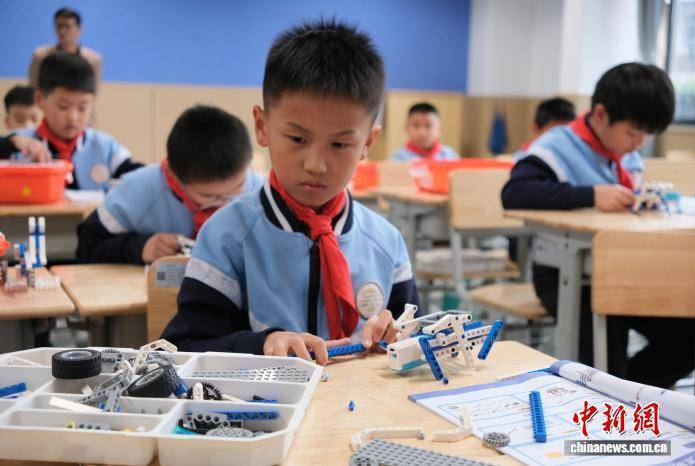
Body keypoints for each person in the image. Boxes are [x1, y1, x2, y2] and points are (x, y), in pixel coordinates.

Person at [161, 19, 420, 365]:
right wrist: (262, 344)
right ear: (262, 126)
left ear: (367, 143)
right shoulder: (226, 237)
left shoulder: (386, 243)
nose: (316, 164)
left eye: (339, 144)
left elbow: (417, 339)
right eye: (298, 139)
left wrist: (400, 338)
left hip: (362, 401)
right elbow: (183, 349)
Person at [501, 62, 695, 388]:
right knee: (606, 341)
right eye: (633, 133)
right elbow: (514, 193)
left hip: (626, 268)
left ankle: (629, 394)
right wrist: (591, 194)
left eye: (647, 135)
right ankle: (614, 393)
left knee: (687, 337)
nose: (639, 143)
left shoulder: (626, 152)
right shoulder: (556, 146)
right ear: (601, 114)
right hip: (566, 274)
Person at [76, 105, 262, 264]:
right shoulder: (138, 190)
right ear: (174, 175)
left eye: (237, 189)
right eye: (208, 196)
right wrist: (140, 247)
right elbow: (86, 247)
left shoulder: (260, 192)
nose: (223, 201)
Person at [11, 53, 141, 189]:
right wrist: (12, 144)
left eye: (82, 108)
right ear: (39, 99)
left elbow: (138, 176)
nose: (73, 117)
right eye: (63, 106)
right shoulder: (18, 143)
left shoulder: (105, 147)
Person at [390, 103, 459, 161]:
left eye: (428, 126)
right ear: (406, 128)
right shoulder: (397, 158)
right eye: (415, 125)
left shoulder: (449, 155)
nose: (422, 132)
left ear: (439, 129)